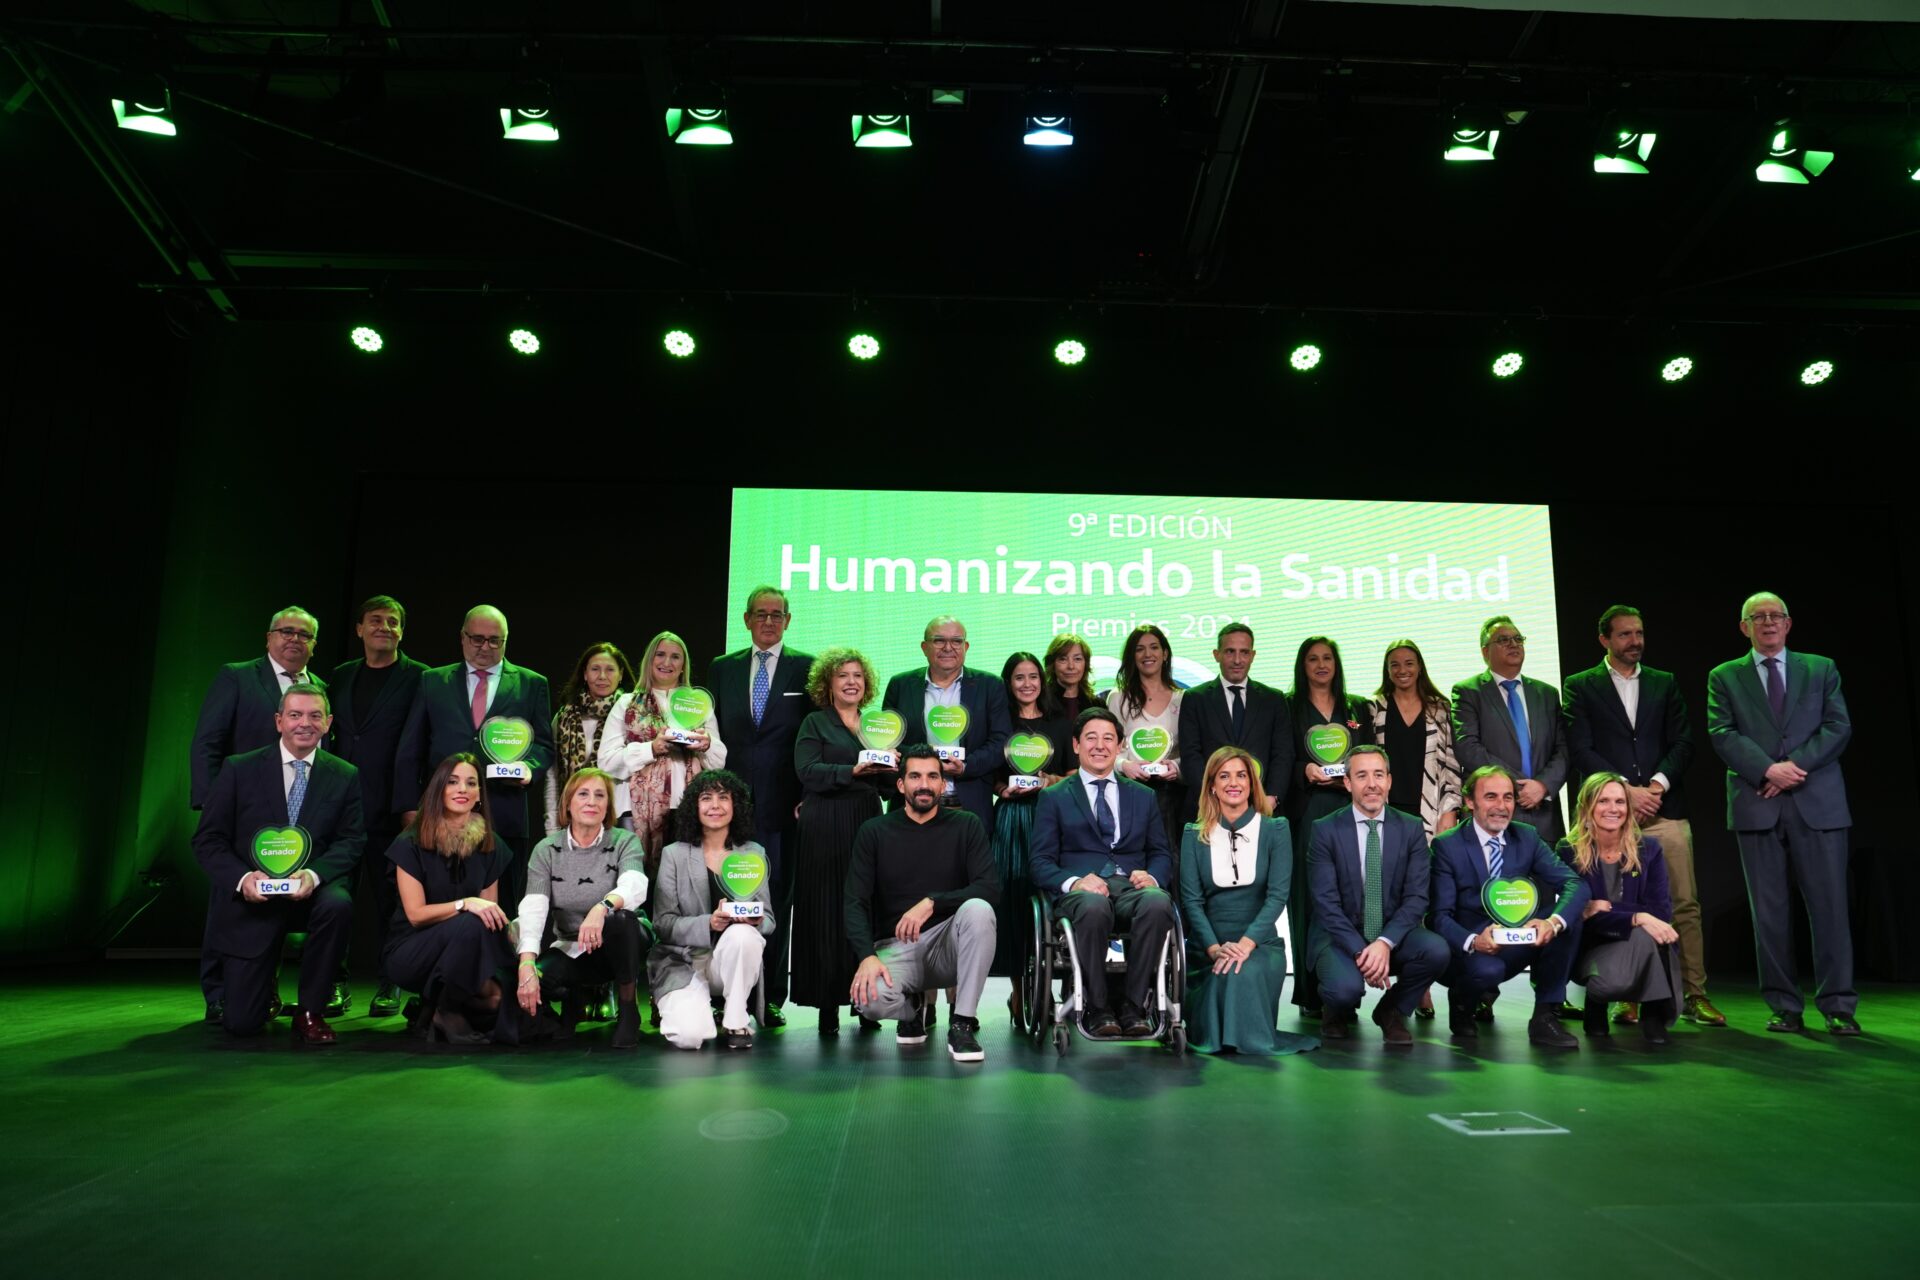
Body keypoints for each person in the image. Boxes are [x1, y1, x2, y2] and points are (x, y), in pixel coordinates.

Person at [1706, 592, 1857, 1035]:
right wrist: (1767, 769)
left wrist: (1793, 767)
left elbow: (1838, 726)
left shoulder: (1821, 668)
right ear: (1744, 627)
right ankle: (1783, 1005)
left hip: (1818, 804)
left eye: (1776, 616)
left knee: (1830, 909)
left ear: (1788, 624)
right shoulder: (1724, 676)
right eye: (1758, 617)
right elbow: (1722, 732)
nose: (1768, 622)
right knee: (1769, 913)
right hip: (1758, 803)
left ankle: (1838, 1005)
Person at [1563, 606, 1720, 1027]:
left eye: (1639, 633)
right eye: (1625, 634)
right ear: (1604, 640)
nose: (1635, 641)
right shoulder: (1580, 686)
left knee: (1683, 904)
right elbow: (1580, 748)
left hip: (1664, 809)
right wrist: (1625, 792)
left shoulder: (1663, 682)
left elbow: (1683, 742)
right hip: (1609, 815)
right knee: (1615, 904)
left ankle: (1695, 994)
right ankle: (1626, 995)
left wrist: (1655, 786)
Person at [191, 684, 363, 1044]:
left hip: (312, 889)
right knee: (242, 1024)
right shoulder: (239, 769)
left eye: (315, 716)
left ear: (328, 722)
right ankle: (263, 988)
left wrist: (314, 875)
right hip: (255, 893)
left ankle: (310, 1011)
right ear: (278, 721)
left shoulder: (345, 774)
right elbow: (208, 839)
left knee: (338, 904)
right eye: (295, 715)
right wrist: (243, 879)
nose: (305, 723)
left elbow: (351, 840)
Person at [189, 605, 327, 1021]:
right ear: (269, 637)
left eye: (304, 634)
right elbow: (208, 742)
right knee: (230, 899)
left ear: (314, 645)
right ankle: (219, 991)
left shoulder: (319, 687)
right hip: (240, 811)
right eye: (286, 631)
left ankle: (266, 988)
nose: (295, 639)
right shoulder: (237, 676)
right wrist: (211, 804)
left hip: (298, 817)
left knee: (279, 906)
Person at [394, 605, 553, 914]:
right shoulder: (432, 681)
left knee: (503, 909)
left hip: (504, 812)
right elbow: (410, 750)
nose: (485, 647)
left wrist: (529, 769)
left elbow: (544, 745)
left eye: (495, 640)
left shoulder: (532, 683)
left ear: (506, 640)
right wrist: (408, 807)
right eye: (477, 639)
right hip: (439, 816)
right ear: (462, 638)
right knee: (440, 904)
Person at [705, 585, 815, 1028]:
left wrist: (807, 794)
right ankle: (725, 992)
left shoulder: (807, 668)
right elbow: (710, 732)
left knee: (776, 900)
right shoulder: (722, 668)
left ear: (788, 620)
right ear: (746, 619)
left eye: (777, 614)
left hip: (783, 806)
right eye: (761, 614)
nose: (769, 621)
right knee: (724, 895)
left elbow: (813, 736)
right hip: (727, 808)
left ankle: (768, 997)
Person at [1030, 707, 1176, 1038]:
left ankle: (1135, 1005)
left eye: (1108, 738)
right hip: (1081, 894)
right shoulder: (1054, 797)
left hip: (1130, 888)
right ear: (1076, 745)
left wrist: (1152, 877)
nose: (1100, 745)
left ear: (1120, 745)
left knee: (1157, 902)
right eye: (1091, 738)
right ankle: (1097, 1007)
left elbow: (1160, 853)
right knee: (1093, 907)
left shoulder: (1144, 796)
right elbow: (1039, 862)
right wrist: (1075, 882)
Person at [847, 747, 999, 1061]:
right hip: (896, 946)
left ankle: (962, 1023)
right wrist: (866, 956)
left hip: (948, 945)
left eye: (932, 777)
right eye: (915, 776)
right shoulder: (874, 832)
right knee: (868, 1001)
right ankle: (912, 1008)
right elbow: (854, 901)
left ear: (943, 784)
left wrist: (933, 902)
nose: (924, 785)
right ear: (901, 784)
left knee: (979, 910)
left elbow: (990, 888)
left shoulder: (967, 825)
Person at [1431, 765, 1588, 1050]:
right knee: (1488, 970)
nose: (1501, 806)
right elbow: (1438, 917)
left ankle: (1545, 1017)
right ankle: (1462, 1002)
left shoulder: (1526, 837)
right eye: (1490, 797)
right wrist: (1474, 941)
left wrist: (1551, 923)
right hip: (1472, 949)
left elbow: (1574, 884)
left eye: (1508, 797)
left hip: (1517, 939)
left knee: (1568, 919)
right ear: (1470, 802)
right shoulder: (1447, 845)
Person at [1306, 745, 1449, 1047]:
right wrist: (1362, 951)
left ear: (1389, 781)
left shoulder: (1411, 828)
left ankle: (1391, 1010)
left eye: (1378, 775)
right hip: (1340, 935)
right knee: (1343, 990)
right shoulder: (1324, 830)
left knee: (1436, 951)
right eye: (1361, 776)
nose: (1372, 784)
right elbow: (1326, 905)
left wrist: (1384, 942)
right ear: (1348, 783)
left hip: (1391, 933)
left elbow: (1417, 898)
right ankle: (1336, 1009)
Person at [1179, 746, 1317, 1056]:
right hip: (1207, 947)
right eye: (1224, 776)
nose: (1234, 783)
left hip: (1260, 945)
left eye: (1241, 775)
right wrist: (1214, 948)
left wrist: (1245, 945)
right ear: (1211, 786)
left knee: (1240, 971)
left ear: (1252, 784)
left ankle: (1239, 1037)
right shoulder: (1193, 834)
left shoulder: (1275, 829)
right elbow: (1191, 901)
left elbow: (1277, 896)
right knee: (1222, 971)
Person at [326, 594, 425, 1018]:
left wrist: (409, 804)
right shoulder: (340, 676)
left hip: (392, 808)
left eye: (393, 621)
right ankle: (333, 982)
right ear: (360, 629)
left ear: (402, 631)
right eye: (376, 620)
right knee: (333, 901)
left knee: (393, 902)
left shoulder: (420, 678)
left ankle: (391, 981)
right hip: (340, 810)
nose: (384, 627)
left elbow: (419, 744)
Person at [383, 754, 522, 1045]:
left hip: (465, 955)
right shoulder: (410, 842)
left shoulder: (490, 844)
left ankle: (431, 1005)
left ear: (480, 794)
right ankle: (446, 1011)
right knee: (472, 921)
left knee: (500, 1001)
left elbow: (490, 917)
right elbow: (416, 915)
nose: (462, 789)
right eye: (453, 782)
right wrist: (464, 904)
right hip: (412, 952)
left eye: (471, 783)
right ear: (439, 789)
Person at [792, 646, 892, 1034]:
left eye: (857, 676)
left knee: (864, 903)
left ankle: (866, 1002)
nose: (851, 682)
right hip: (824, 821)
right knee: (825, 908)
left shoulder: (877, 726)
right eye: (843, 676)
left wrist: (892, 765)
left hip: (866, 819)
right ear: (828, 684)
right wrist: (852, 770)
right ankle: (827, 1004)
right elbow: (807, 771)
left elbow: (886, 786)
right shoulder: (815, 722)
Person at [515, 768, 650, 1048]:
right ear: (567, 803)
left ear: (608, 806)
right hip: (573, 946)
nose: (592, 802)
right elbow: (534, 907)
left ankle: (628, 1009)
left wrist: (601, 908)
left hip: (621, 943)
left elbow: (635, 884)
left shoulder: (624, 841)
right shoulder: (546, 850)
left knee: (621, 919)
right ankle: (573, 1000)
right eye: (583, 794)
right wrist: (526, 963)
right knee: (539, 978)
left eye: (600, 796)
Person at [650, 771, 778, 1051]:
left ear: (736, 805)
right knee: (689, 1037)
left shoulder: (753, 853)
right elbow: (662, 924)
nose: (715, 806)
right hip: (685, 961)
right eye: (706, 798)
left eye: (724, 797)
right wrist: (709, 922)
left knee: (744, 935)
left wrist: (756, 921)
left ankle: (736, 1020)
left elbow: (769, 920)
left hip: (730, 962)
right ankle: (693, 1009)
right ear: (694, 807)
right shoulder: (674, 854)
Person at [1285, 636, 1375, 1018]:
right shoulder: (1287, 707)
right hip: (1308, 810)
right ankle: (1310, 994)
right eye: (1313, 659)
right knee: (1308, 897)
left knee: (1349, 897)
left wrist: (1354, 777)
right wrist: (1304, 769)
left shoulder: (1357, 707)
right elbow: (1281, 757)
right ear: (1302, 666)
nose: (1321, 665)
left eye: (1327, 658)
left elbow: (1371, 754)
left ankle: (1343, 989)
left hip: (1349, 808)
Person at [1559, 774, 1682, 1046]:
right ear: (1588, 807)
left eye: (1619, 801)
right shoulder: (1569, 850)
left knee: (1646, 932)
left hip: (1639, 943)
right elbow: (1580, 916)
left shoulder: (1648, 849)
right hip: (1592, 946)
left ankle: (1651, 1011)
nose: (1613, 809)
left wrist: (1615, 910)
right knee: (1644, 930)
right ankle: (1607, 1002)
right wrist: (1637, 915)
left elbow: (1660, 912)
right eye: (1603, 801)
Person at [599, 630, 727, 879]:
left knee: (683, 884)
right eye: (660, 654)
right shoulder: (626, 703)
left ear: (683, 665)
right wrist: (651, 749)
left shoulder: (698, 706)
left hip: (687, 809)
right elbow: (606, 761)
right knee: (638, 883)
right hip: (635, 813)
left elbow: (718, 762)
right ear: (649, 660)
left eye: (675, 657)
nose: (667, 662)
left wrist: (705, 744)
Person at [991, 651, 1071, 1026]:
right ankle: (1020, 992)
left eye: (1034, 676)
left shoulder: (1059, 722)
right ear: (1009, 683)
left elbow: (1076, 771)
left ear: (1043, 680)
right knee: (1014, 903)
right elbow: (990, 774)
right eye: (1019, 677)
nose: (1027, 684)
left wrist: (1049, 781)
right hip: (1011, 819)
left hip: (1050, 818)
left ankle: (1049, 986)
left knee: (1050, 901)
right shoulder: (1000, 723)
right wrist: (1002, 789)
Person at [880, 615, 1012, 830]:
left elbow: (1000, 741)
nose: (948, 647)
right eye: (939, 640)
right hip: (912, 803)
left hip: (969, 803)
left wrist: (965, 767)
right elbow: (888, 741)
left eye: (956, 641)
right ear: (924, 647)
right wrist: (924, 762)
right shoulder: (900, 685)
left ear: (966, 647)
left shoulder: (990, 685)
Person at [1452, 616, 1569, 843]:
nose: (1513, 644)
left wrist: (1542, 786)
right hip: (1492, 814)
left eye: (1518, 639)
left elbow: (1563, 749)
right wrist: (1514, 786)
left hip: (1543, 815)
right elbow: (1468, 747)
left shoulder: (1547, 693)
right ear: (1485, 652)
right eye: (1503, 640)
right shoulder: (1468, 692)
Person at [1176, 623, 1294, 823]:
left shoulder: (1273, 699)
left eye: (1244, 652)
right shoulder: (1195, 698)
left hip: (1262, 809)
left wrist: (1271, 798)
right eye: (1230, 652)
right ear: (1216, 654)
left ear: (1253, 655)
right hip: (1209, 810)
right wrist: (1212, 797)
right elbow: (1190, 754)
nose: (1237, 660)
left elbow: (1283, 753)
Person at [1364, 639, 1463, 839]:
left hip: (1431, 810)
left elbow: (1452, 764)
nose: (1402, 670)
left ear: (1419, 667)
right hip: (1384, 808)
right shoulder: (1374, 708)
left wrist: (1451, 810)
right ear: (1387, 670)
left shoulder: (1440, 708)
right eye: (1395, 665)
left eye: (1409, 663)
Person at [1105, 623, 1186, 859]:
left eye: (1154, 647)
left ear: (1165, 653)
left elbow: (1192, 750)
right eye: (1139, 649)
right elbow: (1108, 750)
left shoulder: (1183, 698)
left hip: (1171, 796)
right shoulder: (1118, 698)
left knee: (1170, 856)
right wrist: (1125, 766)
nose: (1147, 654)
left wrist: (1176, 767)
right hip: (1130, 793)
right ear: (1132, 656)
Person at [544, 641, 635, 833]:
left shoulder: (635, 715)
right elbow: (552, 776)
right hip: (575, 820)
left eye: (610, 669)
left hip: (622, 819)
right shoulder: (564, 717)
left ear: (620, 675)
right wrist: (552, 826)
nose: (602, 676)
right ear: (585, 674)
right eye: (595, 669)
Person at [1042, 632, 1101, 724]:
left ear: (1085, 664)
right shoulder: (1041, 702)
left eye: (1077, 659)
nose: (1071, 666)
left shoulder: (1097, 705)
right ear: (1052, 664)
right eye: (1063, 659)